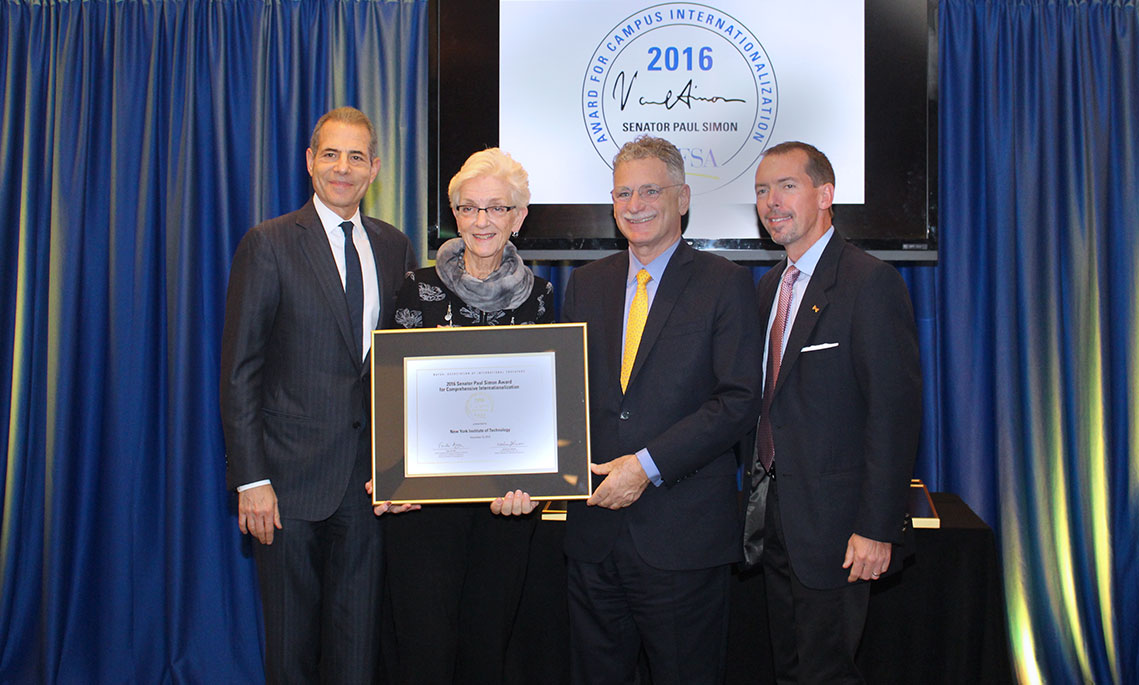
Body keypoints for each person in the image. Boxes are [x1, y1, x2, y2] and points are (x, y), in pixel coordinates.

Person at [220, 106, 416, 684]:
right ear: (310, 162)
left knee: (358, 654)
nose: (343, 167)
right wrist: (251, 481)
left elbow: (399, 368)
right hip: (285, 488)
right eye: (331, 154)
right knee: (291, 653)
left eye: (357, 156)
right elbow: (240, 373)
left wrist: (406, 469)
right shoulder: (269, 243)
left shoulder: (394, 246)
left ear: (375, 168)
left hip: (366, 487)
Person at [561, 135, 762, 684]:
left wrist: (645, 466)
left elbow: (739, 399)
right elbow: (563, 396)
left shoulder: (725, 283)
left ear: (683, 198)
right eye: (623, 193)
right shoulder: (585, 283)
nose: (635, 204)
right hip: (593, 535)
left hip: (682, 537)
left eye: (650, 190)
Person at [369, 148, 550, 685]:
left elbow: (545, 405)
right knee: (424, 648)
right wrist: (389, 473)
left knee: (486, 646)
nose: (481, 221)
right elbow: (388, 389)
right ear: (455, 215)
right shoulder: (416, 287)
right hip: (423, 506)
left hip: (505, 507)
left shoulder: (540, 298)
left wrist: (537, 480)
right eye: (469, 209)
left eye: (496, 208)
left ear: (519, 217)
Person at [745, 141, 922, 683]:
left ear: (826, 194)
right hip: (775, 521)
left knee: (828, 674)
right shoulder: (770, 286)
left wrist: (876, 527)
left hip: (840, 532)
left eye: (786, 186)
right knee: (790, 670)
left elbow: (894, 415)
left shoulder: (870, 283)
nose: (771, 201)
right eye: (761, 190)